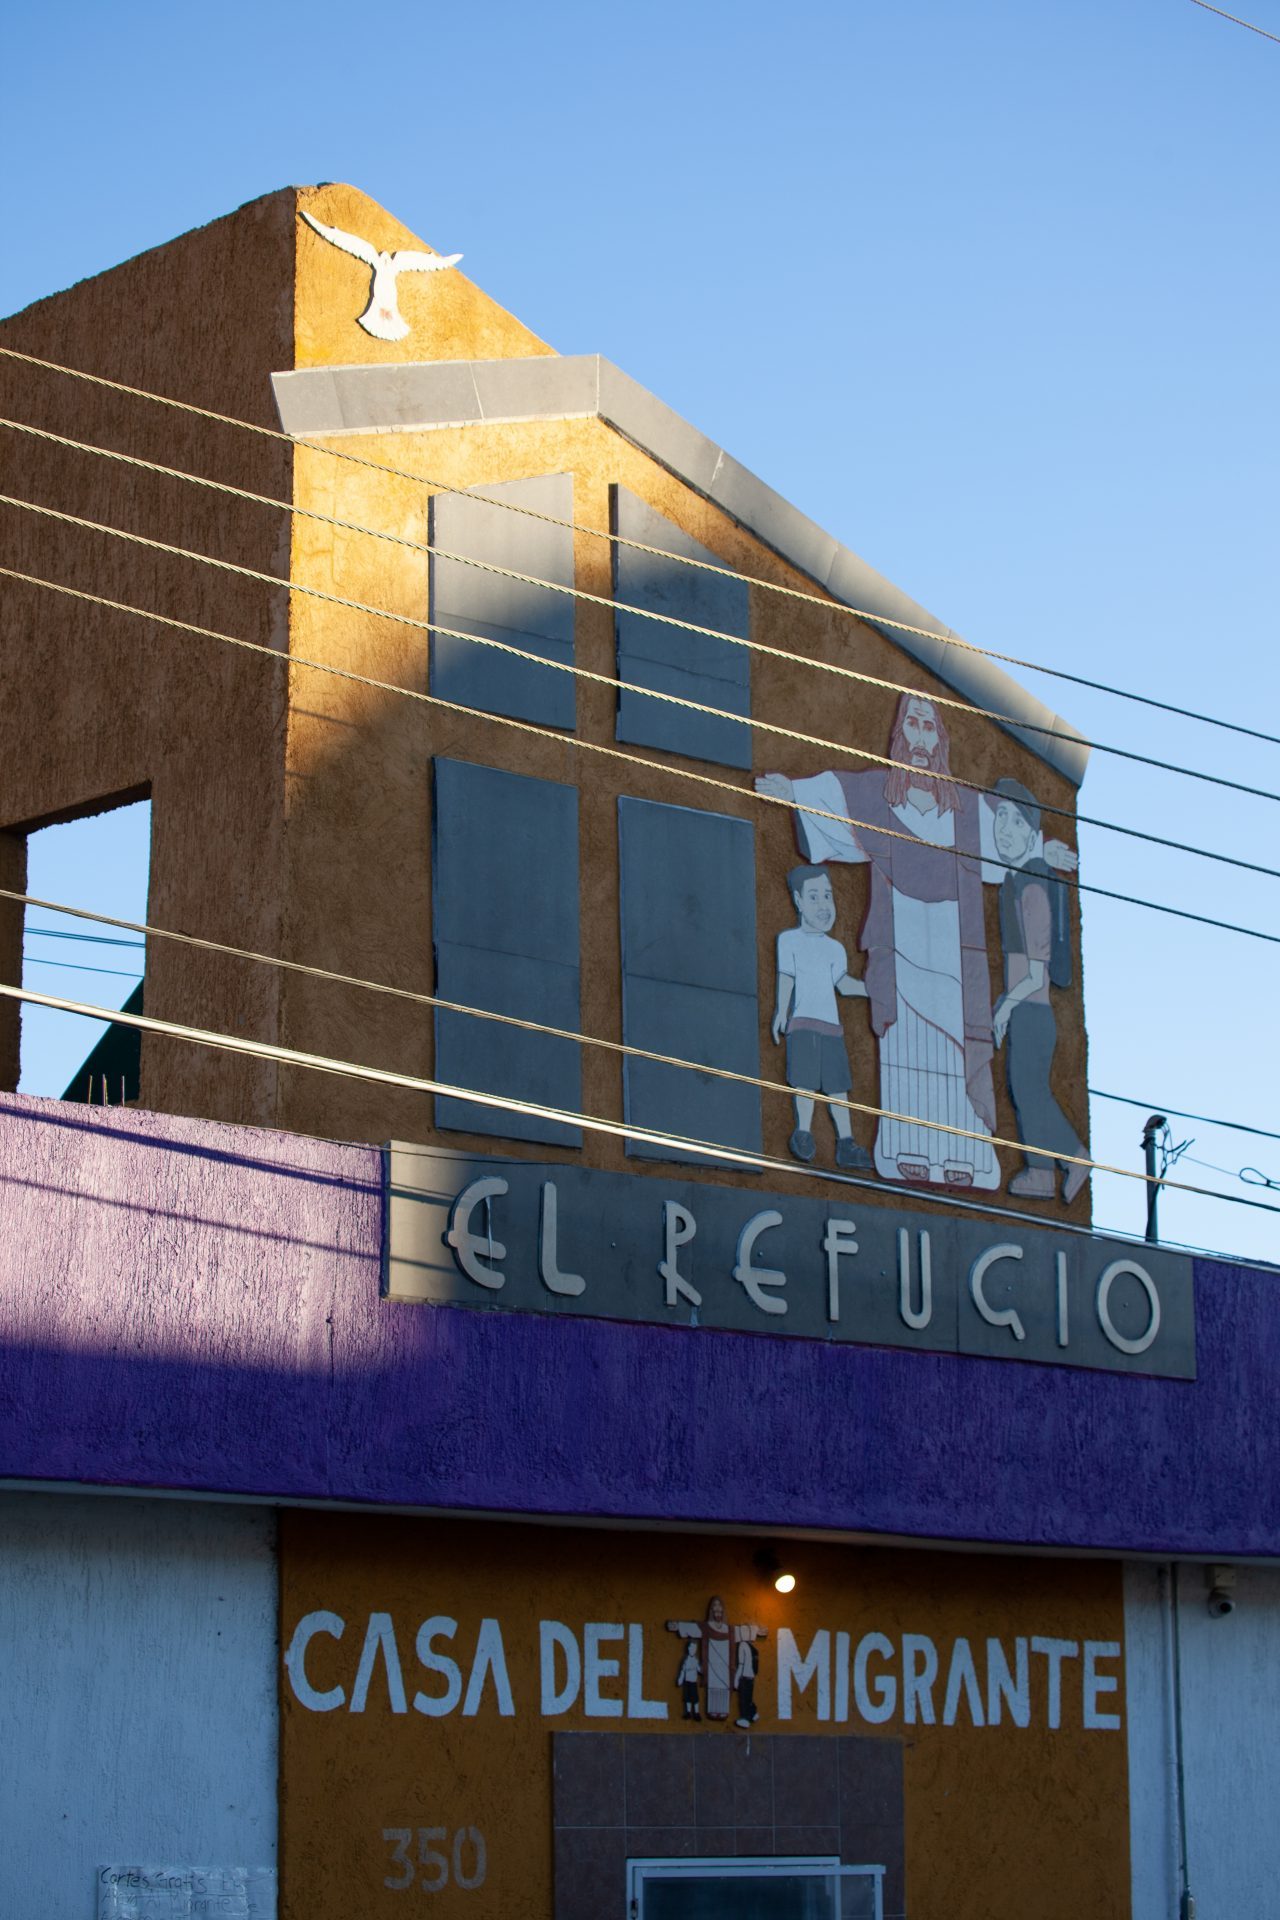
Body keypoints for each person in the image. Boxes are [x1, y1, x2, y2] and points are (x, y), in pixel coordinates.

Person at [756, 693, 1078, 1190]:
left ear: (940, 741)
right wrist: (793, 792)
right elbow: (838, 793)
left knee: (954, 1046)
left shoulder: (967, 810)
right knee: (907, 1044)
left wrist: (1042, 847)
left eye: (930, 729)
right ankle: (907, 1149)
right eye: (914, 727)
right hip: (900, 939)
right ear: (900, 738)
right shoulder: (880, 799)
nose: (921, 739)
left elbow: (1007, 835)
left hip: (955, 945)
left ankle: (964, 1157)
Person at [987, 778, 1088, 1204]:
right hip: (1027, 1010)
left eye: (1013, 819)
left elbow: (1034, 971)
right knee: (1025, 1091)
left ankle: (1068, 1158)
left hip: (1032, 1010)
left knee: (1028, 1092)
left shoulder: (1031, 887)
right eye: (998, 818)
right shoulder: (1017, 880)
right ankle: (1044, 1171)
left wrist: (1004, 1007)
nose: (1002, 828)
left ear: (1031, 830)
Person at [772, 864, 873, 1168]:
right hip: (802, 1024)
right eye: (814, 897)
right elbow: (786, 977)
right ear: (798, 901)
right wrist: (780, 1012)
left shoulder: (836, 949)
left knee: (837, 1086)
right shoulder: (788, 941)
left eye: (827, 896)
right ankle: (803, 1132)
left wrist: (873, 990)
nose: (823, 905)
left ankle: (846, 1142)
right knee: (804, 1084)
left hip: (831, 1029)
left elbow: (843, 984)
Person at [665, 1598, 767, 1723]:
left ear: (723, 1611)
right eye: (715, 1607)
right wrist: (678, 1626)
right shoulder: (706, 1628)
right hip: (712, 1664)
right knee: (713, 1687)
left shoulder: (729, 1630)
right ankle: (713, 1711)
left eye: (720, 1608)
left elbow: (741, 1631)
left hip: (725, 1665)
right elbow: (693, 1628)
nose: (717, 1610)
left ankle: (724, 1712)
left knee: (724, 1687)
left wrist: (756, 1631)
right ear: (711, 1611)